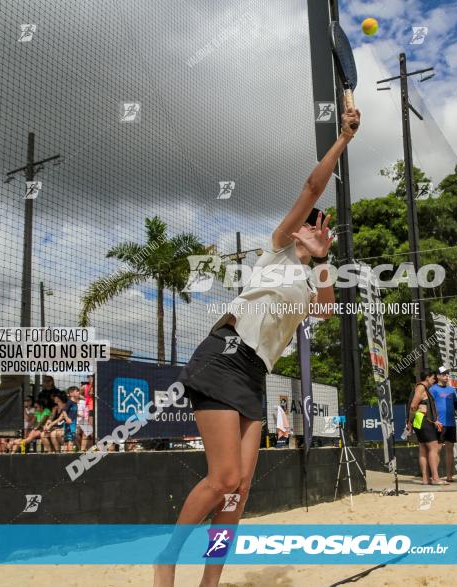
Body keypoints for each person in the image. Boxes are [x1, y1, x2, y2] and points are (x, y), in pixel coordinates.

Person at [153, 105, 359, 587]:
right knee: (223, 478)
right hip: (225, 355)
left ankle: (209, 583)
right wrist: (344, 139)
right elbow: (312, 188)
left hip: (254, 374)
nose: (314, 224)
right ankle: (167, 557)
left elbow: (327, 311)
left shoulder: (310, 281)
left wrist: (326, 260)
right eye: (310, 222)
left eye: (320, 225)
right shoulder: (277, 249)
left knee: (239, 491)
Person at [406, 370, 445, 485]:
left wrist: (411, 423)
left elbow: (420, 406)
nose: (435, 380)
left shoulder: (422, 388)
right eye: (433, 378)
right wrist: (409, 422)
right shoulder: (421, 387)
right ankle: (436, 478)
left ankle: (425, 479)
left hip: (421, 421)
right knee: (433, 448)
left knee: (423, 449)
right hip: (423, 421)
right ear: (427, 377)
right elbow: (413, 406)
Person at [430, 366, 457, 482]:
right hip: (439, 424)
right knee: (438, 449)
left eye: (447, 374)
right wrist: (434, 421)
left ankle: (449, 476)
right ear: (438, 376)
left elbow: (455, 406)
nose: (446, 377)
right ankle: (435, 476)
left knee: (450, 450)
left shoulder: (451, 390)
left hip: (451, 423)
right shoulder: (433, 389)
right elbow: (430, 407)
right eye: (444, 374)